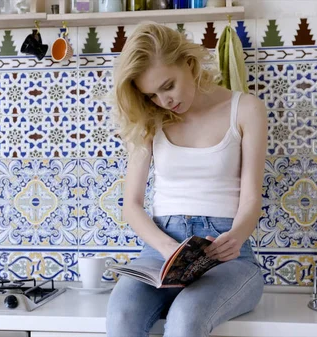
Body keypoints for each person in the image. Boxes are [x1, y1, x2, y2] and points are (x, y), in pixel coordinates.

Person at [106, 22, 267, 337]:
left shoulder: (246, 109)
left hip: (227, 258)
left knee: (185, 318)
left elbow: (251, 199)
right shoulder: (149, 120)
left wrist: (235, 237)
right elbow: (132, 206)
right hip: (160, 254)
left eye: (168, 86)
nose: (163, 100)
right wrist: (168, 248)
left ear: (190, 64)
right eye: (151, 94)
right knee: (122, 315)